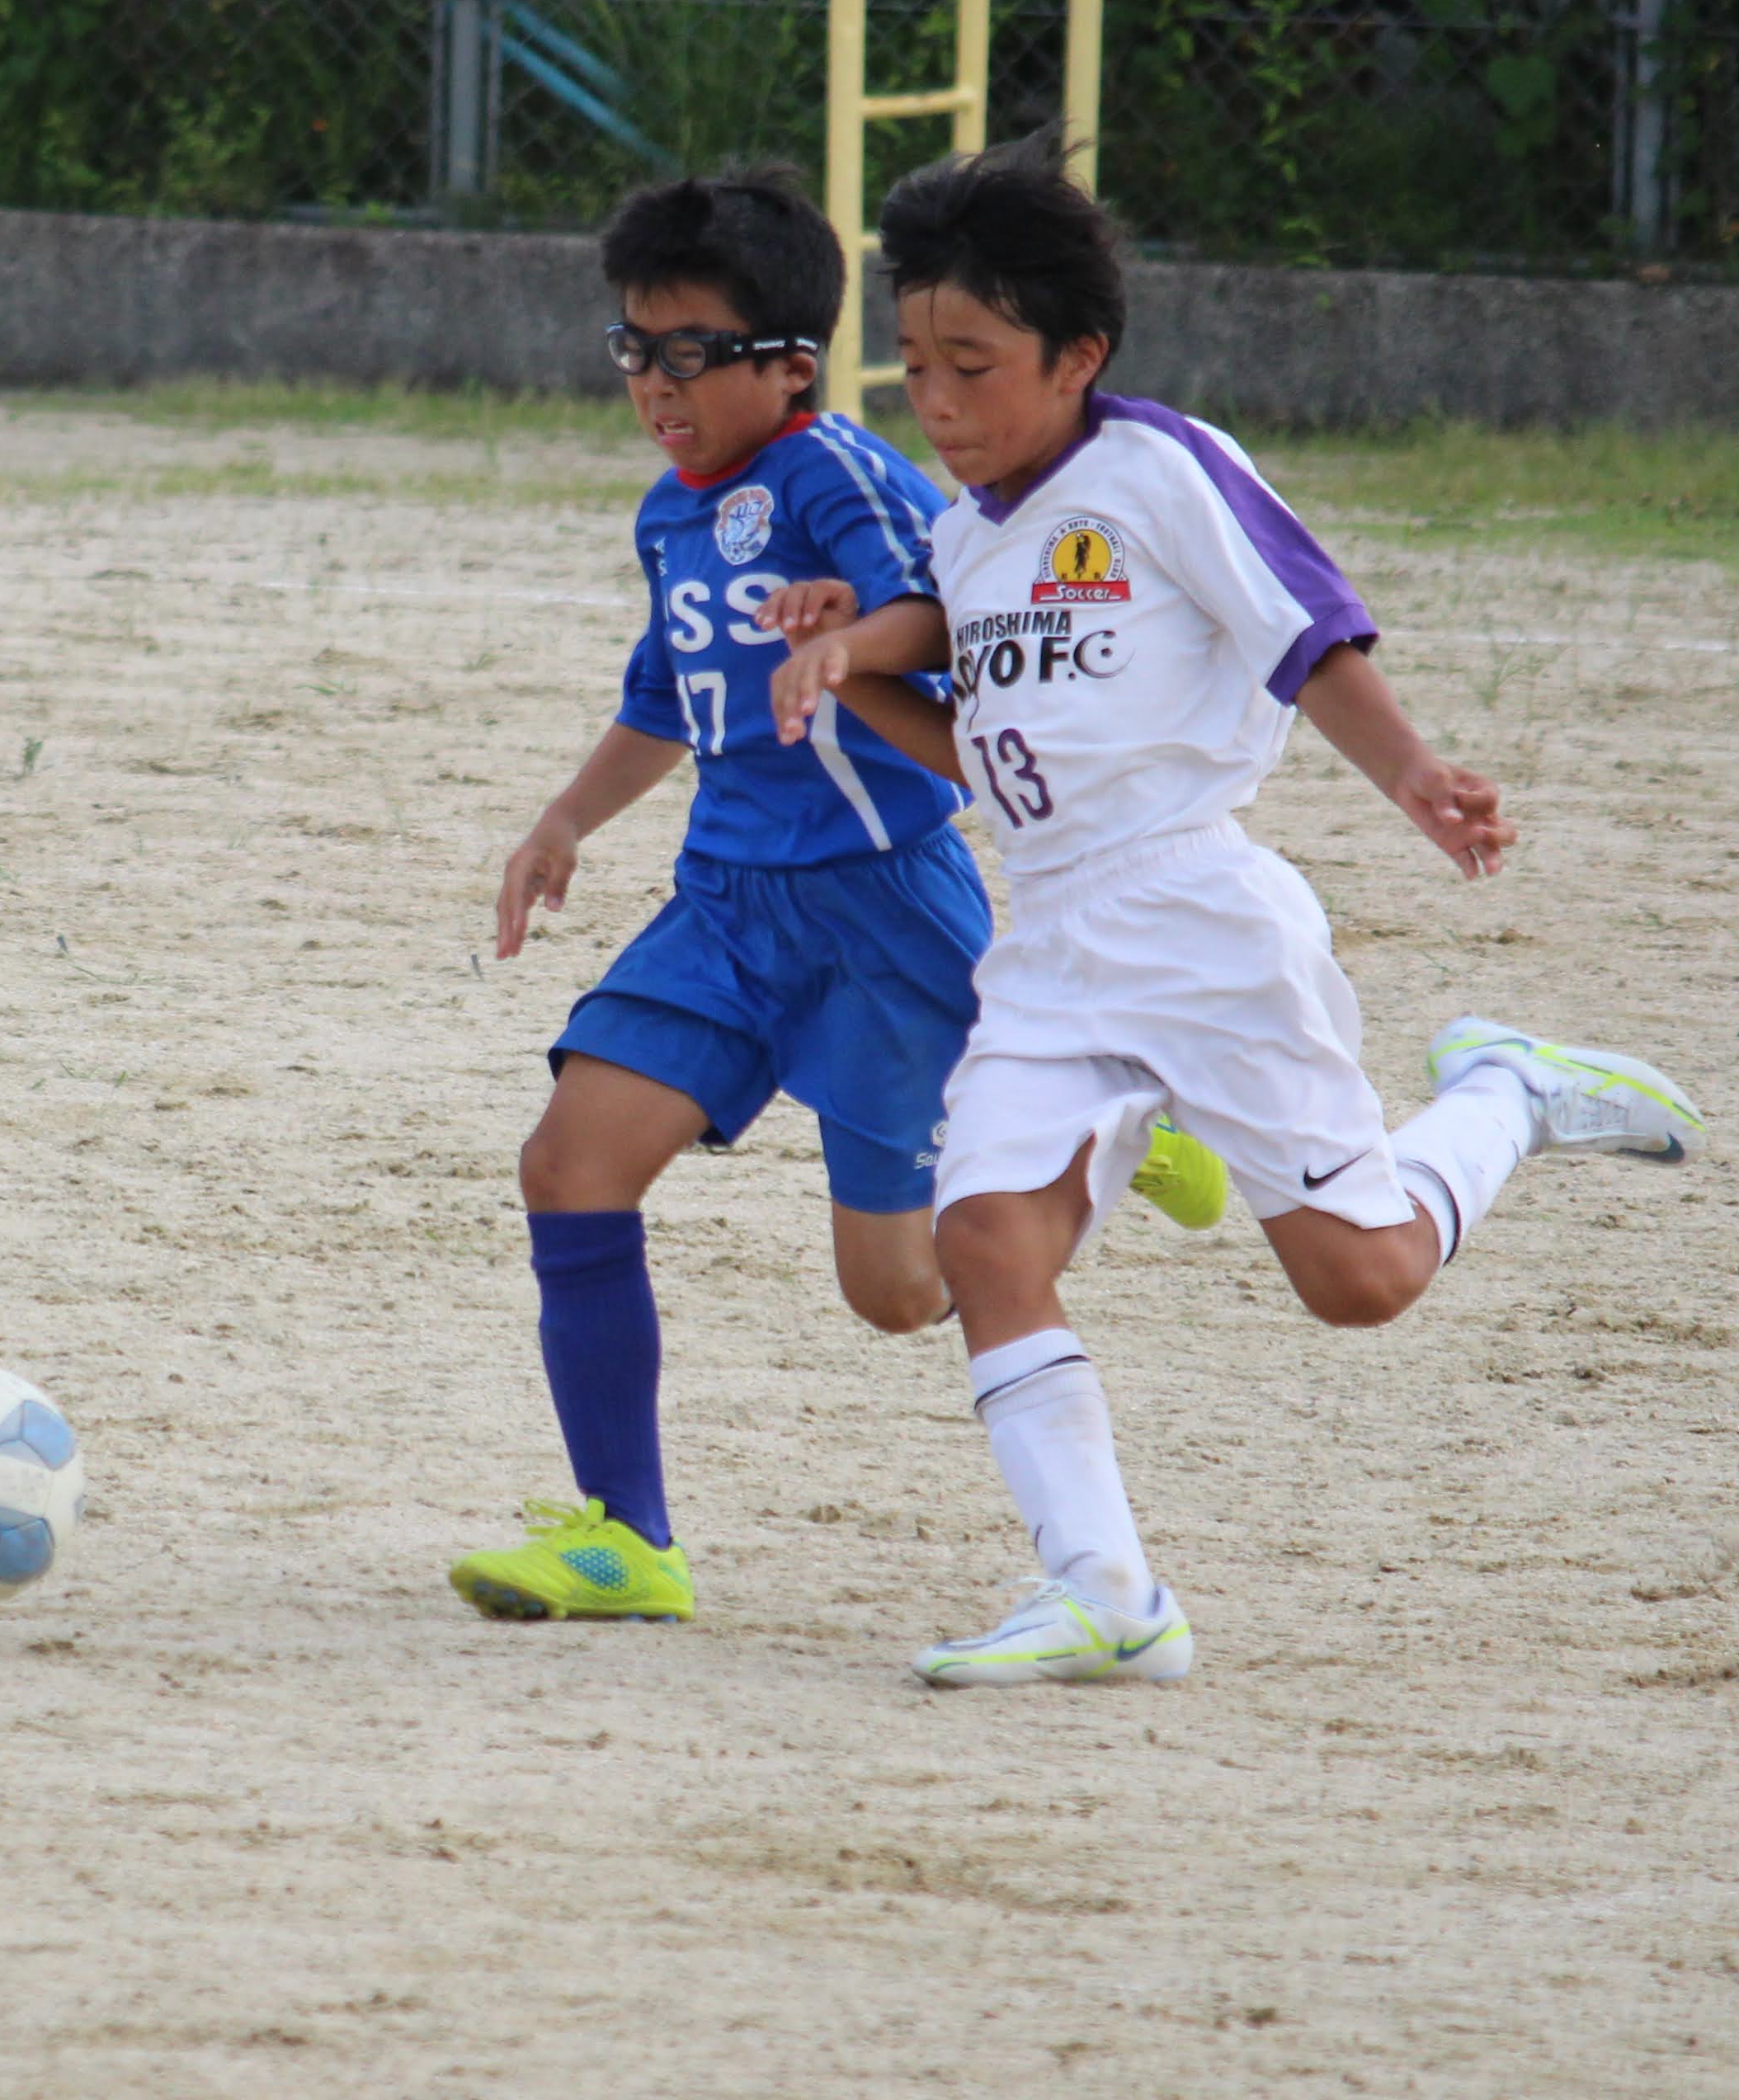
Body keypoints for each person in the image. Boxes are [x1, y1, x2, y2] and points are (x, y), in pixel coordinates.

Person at [761, 134, 1706, 1683]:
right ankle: (1105, 1592)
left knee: (1360, 1280)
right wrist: (846, 663)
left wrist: (1412, 772)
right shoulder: (964, 535)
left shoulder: (1156, 468)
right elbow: (987, 755)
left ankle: (1508, 1094)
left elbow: (1304, 628)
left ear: (1078, 356)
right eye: (916, 365)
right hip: (1047, 937)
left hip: (1195, 914)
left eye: (972, 365)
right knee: (984, 1238)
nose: (936, 401)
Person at [450, 167, 1224, 1625]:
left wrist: (850, 634)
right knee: (567, 1163)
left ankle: (1118, 1109)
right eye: (633, 348)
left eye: (691, 351)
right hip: (726, 907)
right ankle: (628, 1539)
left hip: (882, 909)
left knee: (900, 1290)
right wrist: (563, 817)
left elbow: (953, 618)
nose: (656, 383)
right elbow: (663, 698)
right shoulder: (671, 514)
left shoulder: (837, 474)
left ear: (790, 364)